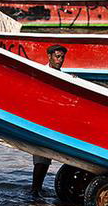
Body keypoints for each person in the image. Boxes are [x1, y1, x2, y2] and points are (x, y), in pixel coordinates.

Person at [31, 45, 68, 197]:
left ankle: (36, 190)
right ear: (49, 56)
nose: (60, 60)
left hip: (55, 124)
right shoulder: (41, 73)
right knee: (41, 158)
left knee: (46, 159)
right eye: (57, 57)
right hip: (41, 123)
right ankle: (34, 190)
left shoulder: (64, 76)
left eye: (62, 58)